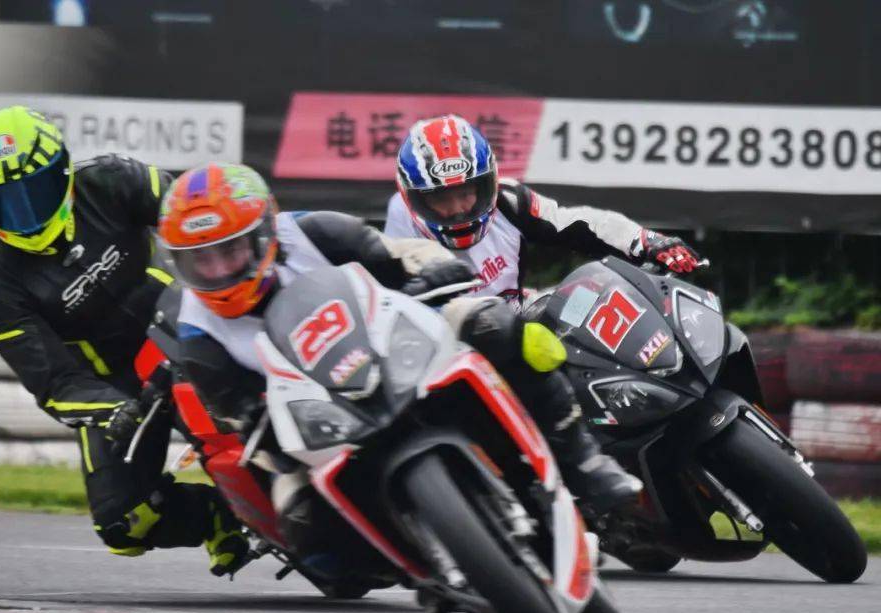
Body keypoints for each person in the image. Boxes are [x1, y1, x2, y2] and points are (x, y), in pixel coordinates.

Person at [156, 162, 641, 564]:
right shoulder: (197, 333)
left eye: (229, 251)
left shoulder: (311, 232)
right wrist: (264, 429)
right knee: (305, 528)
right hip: (313, 413)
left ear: (264, 234)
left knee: (506, 330)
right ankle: (403, 560)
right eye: (201, 261)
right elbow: (238, 411)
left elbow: (399, 255)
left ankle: (584, 461)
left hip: (390, 340)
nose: (218, 271)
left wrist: (433, 272)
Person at [0, 105, 248, 574]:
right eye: (5, 202)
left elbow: (194, 217)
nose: (26, 215)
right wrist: (114, 410)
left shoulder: (113, 179)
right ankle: (217, 516)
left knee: (240, 419)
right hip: (118, 385)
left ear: (64, 173)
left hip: (189, 322)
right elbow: (55, 383)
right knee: (123, 524)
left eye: (35, 191)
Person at [385, 114, 705, 312]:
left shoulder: (509, 200)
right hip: (445, 349)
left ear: (487, 184)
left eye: (466, 194)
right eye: (442, 199)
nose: (458, 210)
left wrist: (645, 240)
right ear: (414, 200)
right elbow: (393, 304)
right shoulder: (400, 226)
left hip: (515, 323)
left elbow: (577, 222)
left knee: (590, 306)